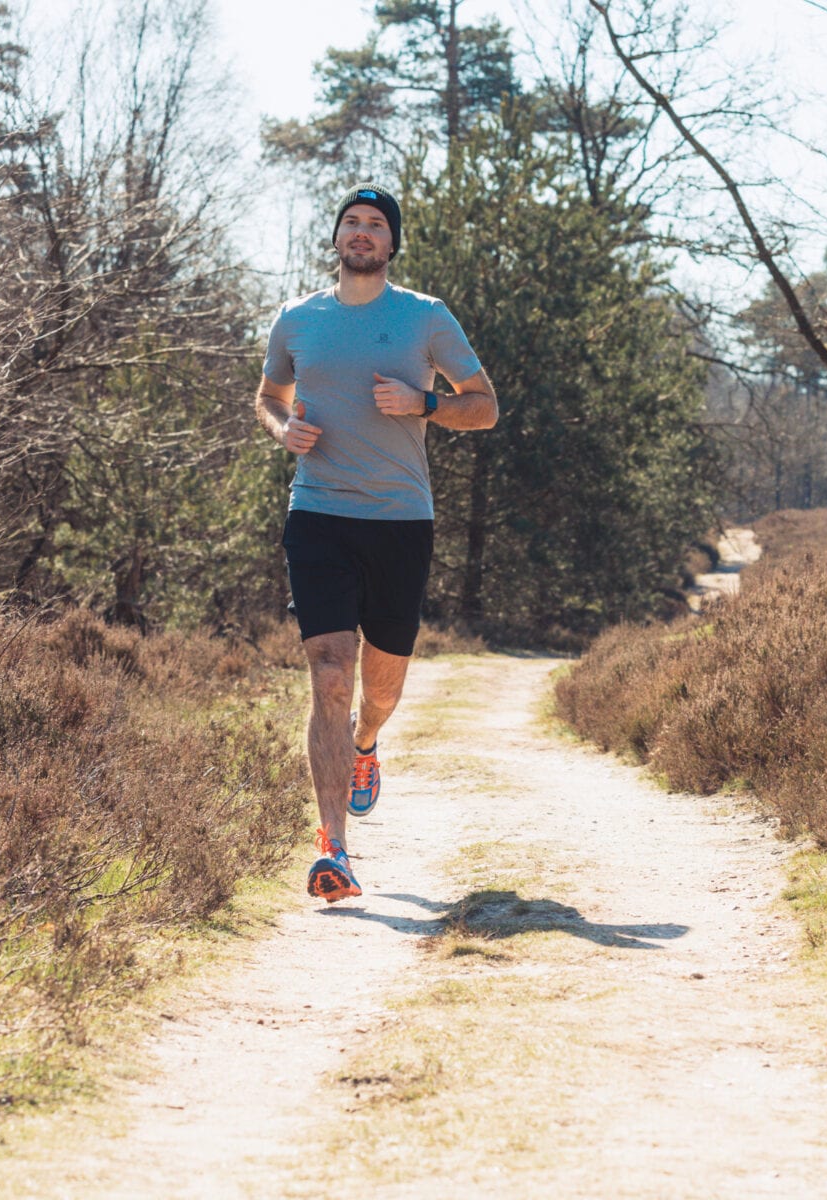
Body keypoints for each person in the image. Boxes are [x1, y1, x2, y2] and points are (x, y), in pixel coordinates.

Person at [253, 184, 497, 903]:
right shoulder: (298, 319)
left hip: (399, 519)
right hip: (318, 513)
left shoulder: (424, 318)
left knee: (380, 689)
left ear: (392, 244)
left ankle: (366, 745)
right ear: (336, 239)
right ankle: (334, 850)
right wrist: (281, 428)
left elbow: (483, 407)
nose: (362, 233)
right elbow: (268, 396)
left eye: (375, 226)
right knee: (330, 673)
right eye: (351, 223)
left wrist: (425, 403)